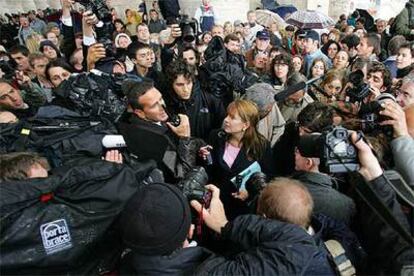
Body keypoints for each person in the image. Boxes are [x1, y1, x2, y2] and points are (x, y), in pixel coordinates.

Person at [119, 182, 320, 275]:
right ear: (190, 230)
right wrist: (226, 226)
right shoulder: (208, 267)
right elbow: (299, 244)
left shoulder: (126, 265)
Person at [202, 99, 276, 219]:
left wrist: (250, 192)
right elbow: (208, 169)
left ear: (245, 125)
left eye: (232, 117)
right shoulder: (216, 136)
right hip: (215, 202)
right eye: (227, 115)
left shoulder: (261, 146)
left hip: (241, 210)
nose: (226, 119)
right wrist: (204, 156)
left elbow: (269, 176)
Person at [118, 79, 202, 183]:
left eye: (161, 99)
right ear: (140, 113)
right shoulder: (150, 140)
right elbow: (182, 175)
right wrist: (186, 139)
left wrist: (199, 147)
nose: (162, 106)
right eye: (154, 105)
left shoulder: (158, 117)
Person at [293, 145, 356, 225]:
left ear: (308, 163)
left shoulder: (287, 193)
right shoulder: (347, 204)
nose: (295, 155)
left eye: (297, 152)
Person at [164, 60, 225, 140]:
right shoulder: (165, 103)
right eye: (180, 85)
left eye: (189, 83)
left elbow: (221, 130)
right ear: (171, 84)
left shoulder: (210, 100)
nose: (185, 89)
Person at [244, 83, 286, 147]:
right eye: (267, 110)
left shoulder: (270, 101)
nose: (270, 109)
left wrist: (270, 147)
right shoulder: (239, 114)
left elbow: (279, 126)